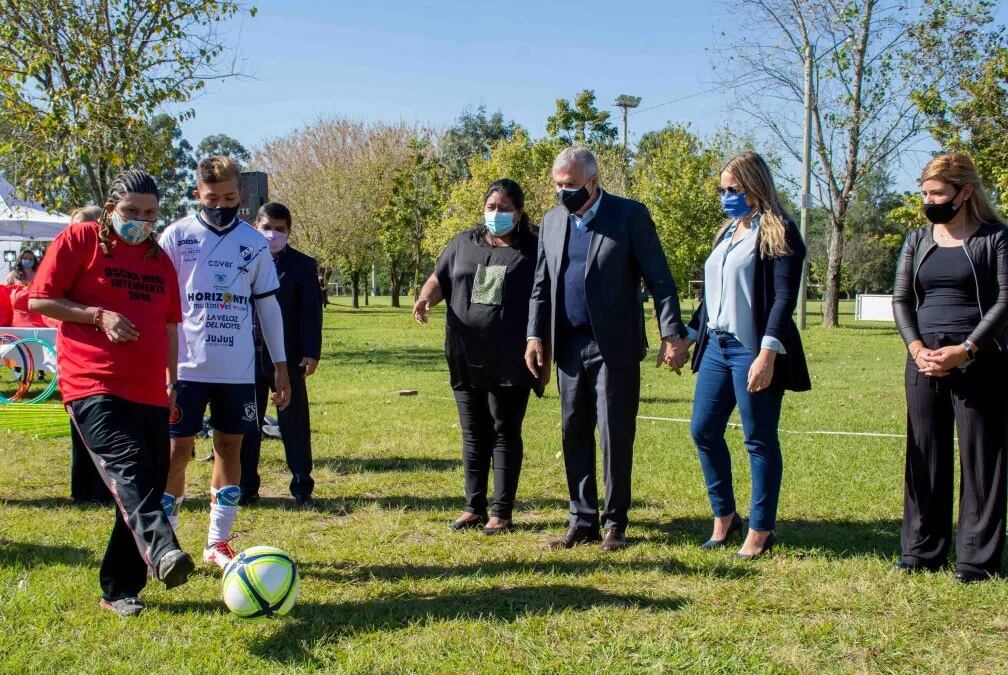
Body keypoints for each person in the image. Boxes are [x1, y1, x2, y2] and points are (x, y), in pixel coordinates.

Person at [28, 170, 195, 616]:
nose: (140, 220)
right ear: (110, 209)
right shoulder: (81, 241)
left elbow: (170, 326)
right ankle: (163, 551)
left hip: (151, 391)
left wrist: (172, 380)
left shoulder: (159, 261)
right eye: (131, 212)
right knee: (131, 471)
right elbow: (39, 300)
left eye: (150, 213)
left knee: (148, 480)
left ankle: (119, 589)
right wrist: (98, 315)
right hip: (93, 383)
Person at [525, 147, 691, 552]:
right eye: (558, 186)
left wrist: (672, 334)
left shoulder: (629, 216)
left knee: (614, 434)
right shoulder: (551, 221)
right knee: (573, 431)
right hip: (568, 345)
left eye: (571, 186)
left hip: (613, 347)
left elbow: (660, 280)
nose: (563, 193)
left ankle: (614, 522)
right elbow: (541, 287)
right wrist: (534, 336)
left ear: (594, 182)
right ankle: (581, 520)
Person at [159, 156, 291, 570]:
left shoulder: (253, 243)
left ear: (241, 196)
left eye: (230, 197)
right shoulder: (176, 236)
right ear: (197, 194)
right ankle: (164, 540)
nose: (221, 204)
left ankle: (218, 541)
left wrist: (280, 365)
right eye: (212, 197)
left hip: (236, 370)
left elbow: (268, 307)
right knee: (176, 450)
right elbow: (159, 305)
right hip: (185, 369)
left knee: (229, 447)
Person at [685, 152, 810, 560]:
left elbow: (783, 298)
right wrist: (689, 334)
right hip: (717, 346)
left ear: (756, 187)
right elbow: (713, 295)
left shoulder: (779, 231)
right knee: (703, 429)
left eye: (733, 190)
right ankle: (725, 518)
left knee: (758, 439)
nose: (726, 197)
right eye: (722, 190)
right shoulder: (727, 233)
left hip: (753, 349)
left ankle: (760, 530)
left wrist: (767, 353)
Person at [891, 152, 1008, 584]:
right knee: (925, 451)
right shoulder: (917, 240)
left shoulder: (995, 238)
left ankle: (977, 558)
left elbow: (1004, 301)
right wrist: (917, 347)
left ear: (965, 192)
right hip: (924, 356)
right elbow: (902, 300)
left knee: (981, 456)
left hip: (979, 357)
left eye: (937, 193)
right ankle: (922, 549)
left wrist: (968, 348)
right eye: (924, 193)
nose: (929, 201)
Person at [415, 179, 541, 535]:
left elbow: (544, 297)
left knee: (503, 431)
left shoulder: (533, 249)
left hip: (509, 358)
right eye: (491, 207)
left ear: (518, 212)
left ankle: (501, 512)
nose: (496, 213)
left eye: (503, 208)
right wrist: (426, 298)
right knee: (473, 433)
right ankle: (474, 507)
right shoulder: (464, 243)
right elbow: (439, 278)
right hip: (465, 353)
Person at [239, 202, 323, 508]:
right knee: (247, 423)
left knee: (294, 423)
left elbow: (310, 312)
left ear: (288, 231)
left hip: (286, 358)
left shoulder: (302, 265)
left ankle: (302, 488)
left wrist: (311, 352)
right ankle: (246, 488)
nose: (272, 234)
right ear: (255, 226)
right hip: (245, 355)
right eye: (267, 227)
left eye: (280, 229)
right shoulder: (240, 259)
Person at [64, 204, 112, 504]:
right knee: (82, 428)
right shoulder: (67, 258)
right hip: (79, 353)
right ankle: (82, 489)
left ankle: (105, 490)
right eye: (80, 226)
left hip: (109, 354)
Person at [8, 249, 49, 328]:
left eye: (31, 259)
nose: (28, 260)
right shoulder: (13, 275)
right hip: (18, 316)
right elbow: (5, 292)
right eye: (25, 258)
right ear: (20, 260)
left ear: (34, 261)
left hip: (35, 314)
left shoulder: (39, 274)